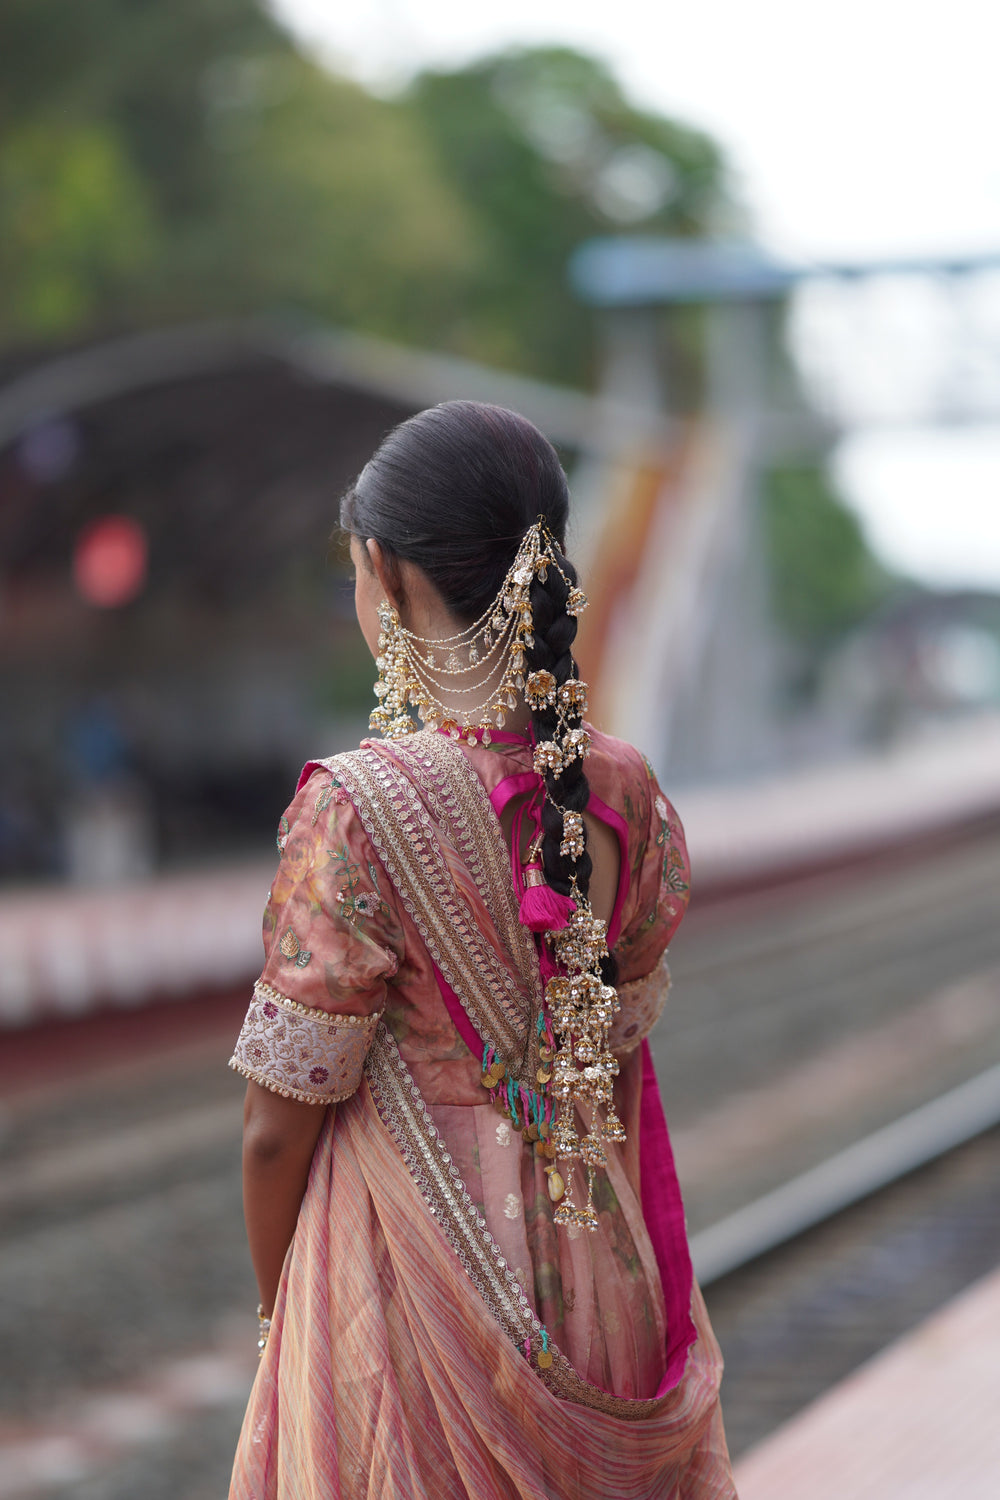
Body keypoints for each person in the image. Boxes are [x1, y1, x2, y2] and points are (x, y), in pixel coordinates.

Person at [228, 401, 736, 1498]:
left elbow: (277, 1127)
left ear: (384, 570)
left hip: (410, 1296)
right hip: (601, 1279)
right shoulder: (622, 792)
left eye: (354, 573)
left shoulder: (355, 809)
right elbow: (613, 1056)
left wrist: (282, 1315)